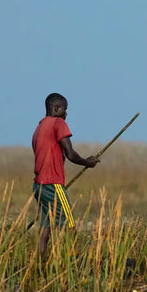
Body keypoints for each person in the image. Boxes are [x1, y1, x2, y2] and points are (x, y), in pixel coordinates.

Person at [31, 93, 99, 256]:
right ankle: (73, 258)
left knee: (46, 224)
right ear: (56, 108)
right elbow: (70, 153)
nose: (66, 113)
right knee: (68, 221)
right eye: (64, 109)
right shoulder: (58, 123)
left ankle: (41, 259)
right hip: (53, 184)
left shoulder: (39, 127)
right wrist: (87, 162)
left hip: (38, 186)